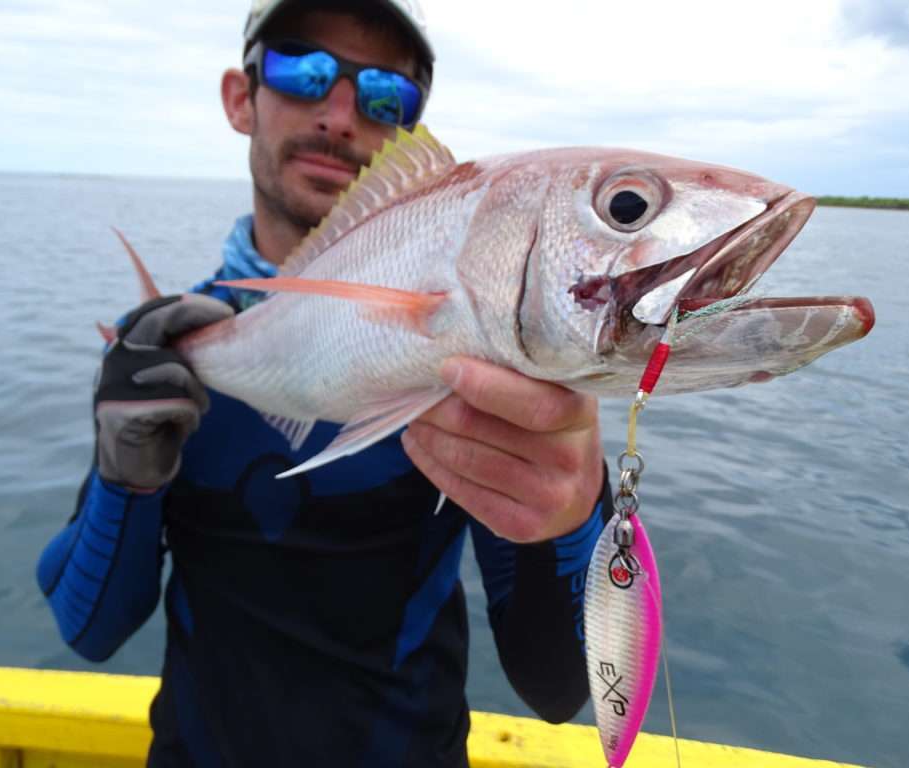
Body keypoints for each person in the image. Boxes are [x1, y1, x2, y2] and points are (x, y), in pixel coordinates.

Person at [37, 1, 612, 765]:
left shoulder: (471, 356)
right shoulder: (162, 356)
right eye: (302, 71)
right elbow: (89, 629)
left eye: (384, 95)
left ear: (408, 132)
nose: (340, 115)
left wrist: (574, 513)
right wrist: (124, 475)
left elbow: (558, 688)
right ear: (242, 98)